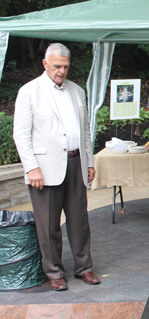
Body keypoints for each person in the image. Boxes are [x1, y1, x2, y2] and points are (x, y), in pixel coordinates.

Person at [13, 43, 100, 291]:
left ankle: (84, 267)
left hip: (76, 164)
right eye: (57, 66)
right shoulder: (29, 91)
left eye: (65, 66)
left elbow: (84, 131)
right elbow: (21, 135)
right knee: (48, 224)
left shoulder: (76, 90)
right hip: (44, 168)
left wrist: (89, 161)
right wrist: (31, 168)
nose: (62, 71)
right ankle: (54, 272)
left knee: (79, 221)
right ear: (45, 64)